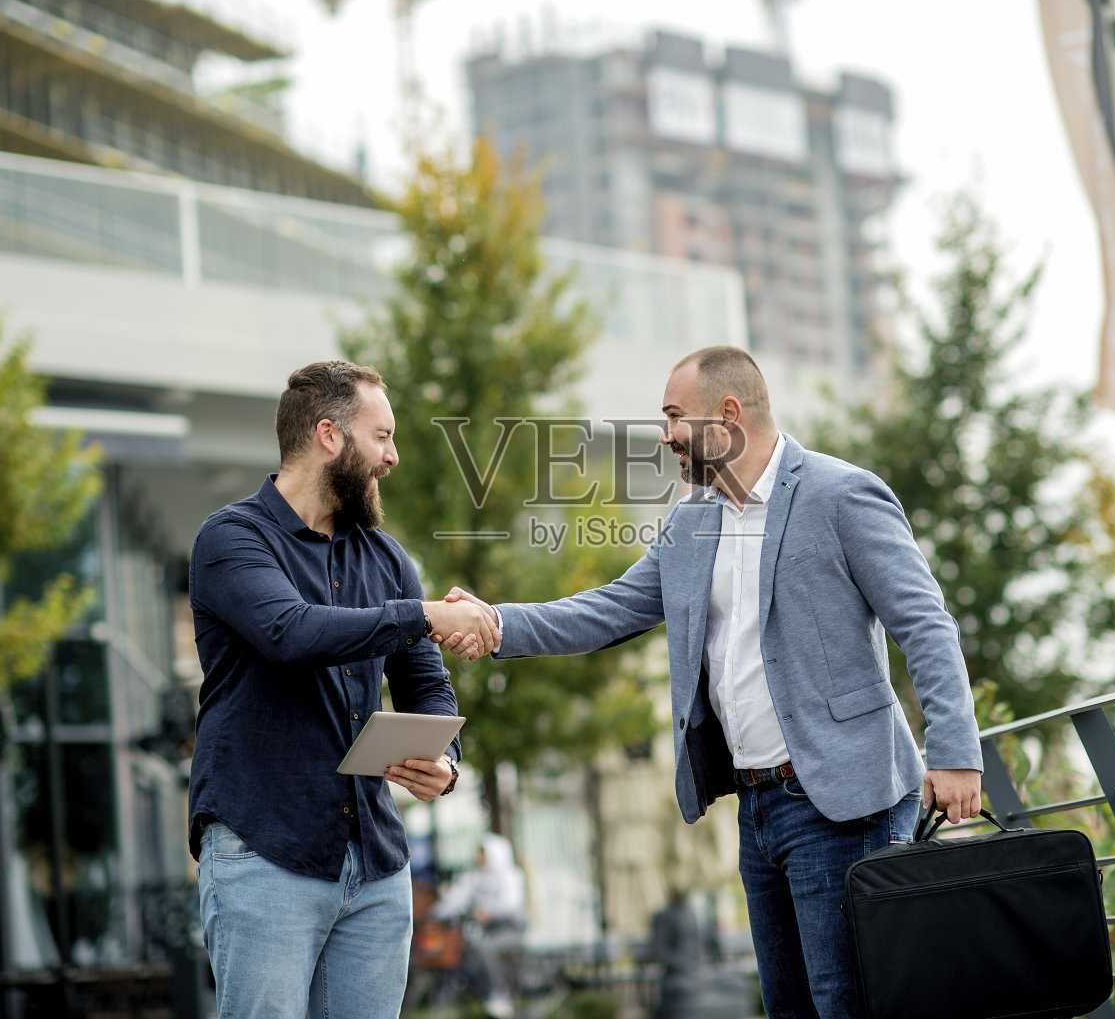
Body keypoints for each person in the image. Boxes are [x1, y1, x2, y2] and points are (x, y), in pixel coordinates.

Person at [440, 346, 982, 1019]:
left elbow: (925, 621)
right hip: (757, 807)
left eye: (674, 416)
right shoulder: (692, 521)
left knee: (848, 1003)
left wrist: (955, 749)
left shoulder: (840, 494)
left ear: (727, 416)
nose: (664, 435)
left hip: (846, 800)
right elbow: (606, 610)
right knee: (789, 1005)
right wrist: (494, 621)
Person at [187, 359, 500, 1019]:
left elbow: (426, 685)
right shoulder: (231, 538)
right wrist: (425, 613)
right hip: (262, 854)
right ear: (329, 435)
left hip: (377, 871)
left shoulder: (388, 560)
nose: (393, 456)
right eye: (381, 436)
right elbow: (290, 632)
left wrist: (444, 763)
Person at [429, 833, 527, 1018]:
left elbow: (511, 902)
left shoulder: (510, 875)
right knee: (468, 950)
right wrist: (436, 912)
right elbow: (457, 897)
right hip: (484, 930)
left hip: (510, 929)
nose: (478, 857)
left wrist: (490, 911)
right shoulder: (475, 876)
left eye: (482, 853)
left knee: (485, 948)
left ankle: (499, 995)